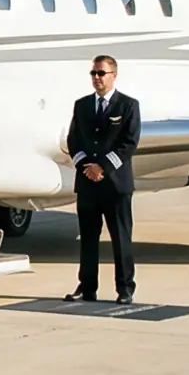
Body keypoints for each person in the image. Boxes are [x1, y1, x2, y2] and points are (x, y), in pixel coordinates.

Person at [65, 55, 139, 305]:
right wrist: (87, 167)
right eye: (93, 73)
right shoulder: (82, 105)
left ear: (113, 75)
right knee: (88, 240)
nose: (96, 78)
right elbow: (73, 140)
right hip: (88, 184)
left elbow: (129, 143)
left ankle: (125, 288)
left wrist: (103, 168)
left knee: (121, 240)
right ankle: (87, 287)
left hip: (115, 185)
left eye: (101, 73)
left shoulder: (128, 106)